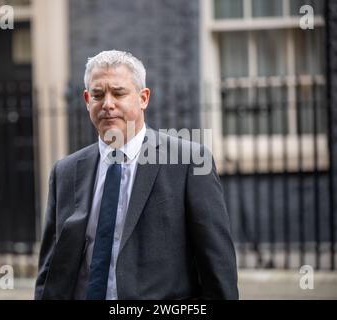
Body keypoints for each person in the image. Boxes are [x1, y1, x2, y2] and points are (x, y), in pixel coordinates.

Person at [34, 50, 238, 300]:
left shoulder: (189, 162)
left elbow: (216, 263)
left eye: (118, 93)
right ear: (87, 100)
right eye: (98, 95)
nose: (107, 104)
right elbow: (51, 268)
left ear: (143, 98)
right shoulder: (65, 171)